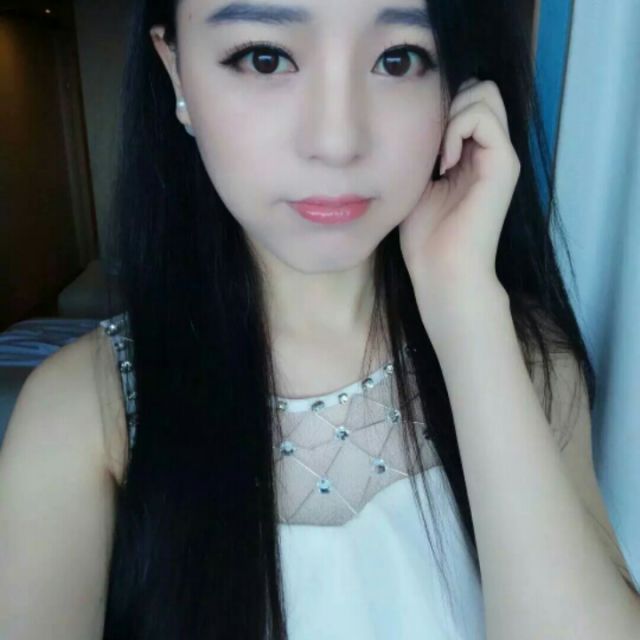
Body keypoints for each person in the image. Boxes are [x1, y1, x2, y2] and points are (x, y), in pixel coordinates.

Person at [1, 1, 638, 638]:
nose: (337, 142)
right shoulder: (82, 417)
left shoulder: (525, 360)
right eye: (265, 58)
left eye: (399, 60)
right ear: (176, 71)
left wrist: (465, 303)